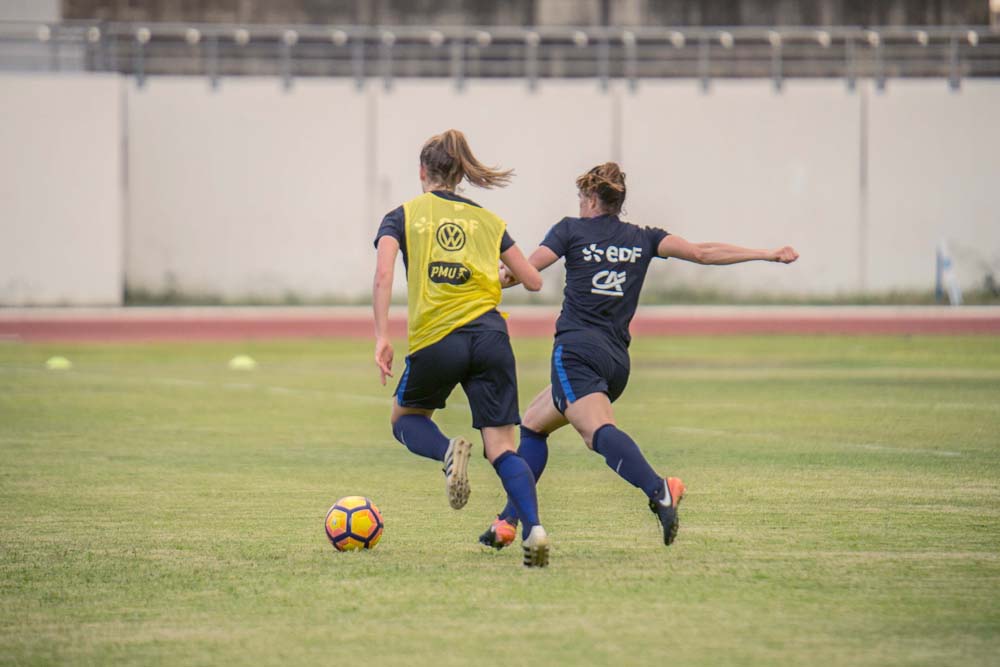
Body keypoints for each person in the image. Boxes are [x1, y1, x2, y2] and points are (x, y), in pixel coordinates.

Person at [478, 162, 799, 551]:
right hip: (615, 363)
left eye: (581, 198)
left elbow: (520, 273)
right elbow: (702, 252)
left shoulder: (569, 230)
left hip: (576, 353)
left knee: (595, 432)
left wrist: (477, 279)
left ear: (592, 198)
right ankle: (508, 521)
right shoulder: (643, 238)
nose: (579, 205)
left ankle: (659, 489)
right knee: (533, 424)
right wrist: (766, 254)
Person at [372, 129, 552, 567]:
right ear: (460, 174)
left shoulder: (403, 215)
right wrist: (493, 277)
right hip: (491, 338)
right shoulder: (489, 222)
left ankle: (445, 451)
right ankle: (535, 530)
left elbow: (383, 275)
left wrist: (382, 335)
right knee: (502, 449)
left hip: (437, 338)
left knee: (405, 419)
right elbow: (532, 280)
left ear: (422, 172)